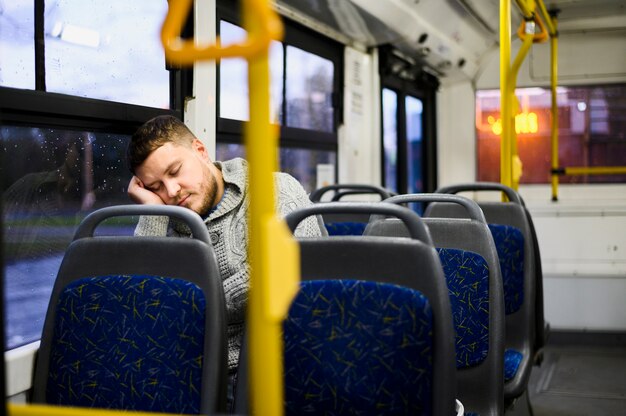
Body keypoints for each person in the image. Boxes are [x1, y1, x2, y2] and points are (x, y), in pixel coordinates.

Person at [126, 115, 323, 410]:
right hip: (191, 369)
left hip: (278, 367)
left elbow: (284, 280)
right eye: (155, 187)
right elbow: (143, 305)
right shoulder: (166, 217)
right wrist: (153, 213)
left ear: (200, 151)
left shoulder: (275, 190)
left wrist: (189, 300)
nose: (172, 191)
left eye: (175, 171)